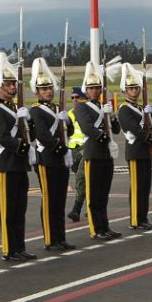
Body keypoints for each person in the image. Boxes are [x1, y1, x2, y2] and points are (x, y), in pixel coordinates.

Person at [0, 52, 37, 262]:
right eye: (7, 84)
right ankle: (9, 249)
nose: (12, 87)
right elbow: (3, 137)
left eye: (13, 83)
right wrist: (24, 147)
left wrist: (29, 121)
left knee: (19, 209)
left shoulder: (19, 109)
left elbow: (31, 134)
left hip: (19, 164)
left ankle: (20, 247)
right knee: (8, 210)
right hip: (6, 165)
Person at [29, 58, 76, 251]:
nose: (48, 91)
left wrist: (68, 122)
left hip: (60, 159)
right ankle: (50, 239)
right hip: (47, 159)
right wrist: (62, 149)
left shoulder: (57, 108)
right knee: (49, 200)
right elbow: (42, 135)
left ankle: (60, 237)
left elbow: (69, 131)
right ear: (37, 92)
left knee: (59, 200)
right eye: (44, 89)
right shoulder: (36, 110)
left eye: (49, 88)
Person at [73, 61, 123, 240]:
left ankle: (105, 226)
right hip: (93, 154)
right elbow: (87, 128)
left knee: (103, 195)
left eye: (97, 88)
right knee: (93, 195)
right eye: (91, 88)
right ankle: (96, 229)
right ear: (86, 90)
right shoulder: (81, 107)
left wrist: (112, 116)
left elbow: (116, 130)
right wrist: (105, 139)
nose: (94, 91)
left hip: (106, 155)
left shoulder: (104, 106)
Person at [117, 62, 152, 230]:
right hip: (135, 152)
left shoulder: (141, 108)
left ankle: (143, 217)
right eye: (131, 88)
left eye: (136, 88)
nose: (134, 90)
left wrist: (149, 114)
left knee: (145, 186)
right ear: (125, 91)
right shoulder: (124, 109)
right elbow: (134, 129)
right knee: (136, 187)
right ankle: (135, 219)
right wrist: (151, 140)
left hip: (145, 151)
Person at [67, 87, 88, 222]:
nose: (75, 100)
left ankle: (76, 209)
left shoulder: (87, 112)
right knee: (85, 180)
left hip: (85, 148)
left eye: (77, 97)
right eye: (73, 97)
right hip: (73, 151)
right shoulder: (69, 113)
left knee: (81, 178)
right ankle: (91, 206)